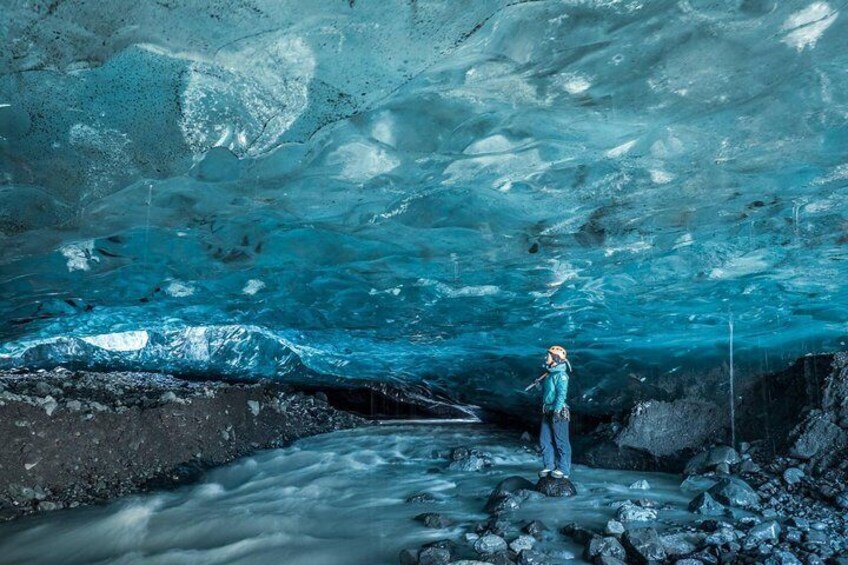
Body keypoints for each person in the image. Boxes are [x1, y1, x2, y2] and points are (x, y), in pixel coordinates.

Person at [537, 345, 572, 479]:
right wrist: (539, 385)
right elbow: (548, 393)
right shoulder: (550, 375)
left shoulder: (561, 376)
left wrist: (557, 410)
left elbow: (561, 395)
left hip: (558, 411)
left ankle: (564, 469)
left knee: (561, 441)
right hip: (548, 410)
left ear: (556, 358)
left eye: (549, 355)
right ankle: (549, 465)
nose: (546, 357)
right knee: (544, 439)